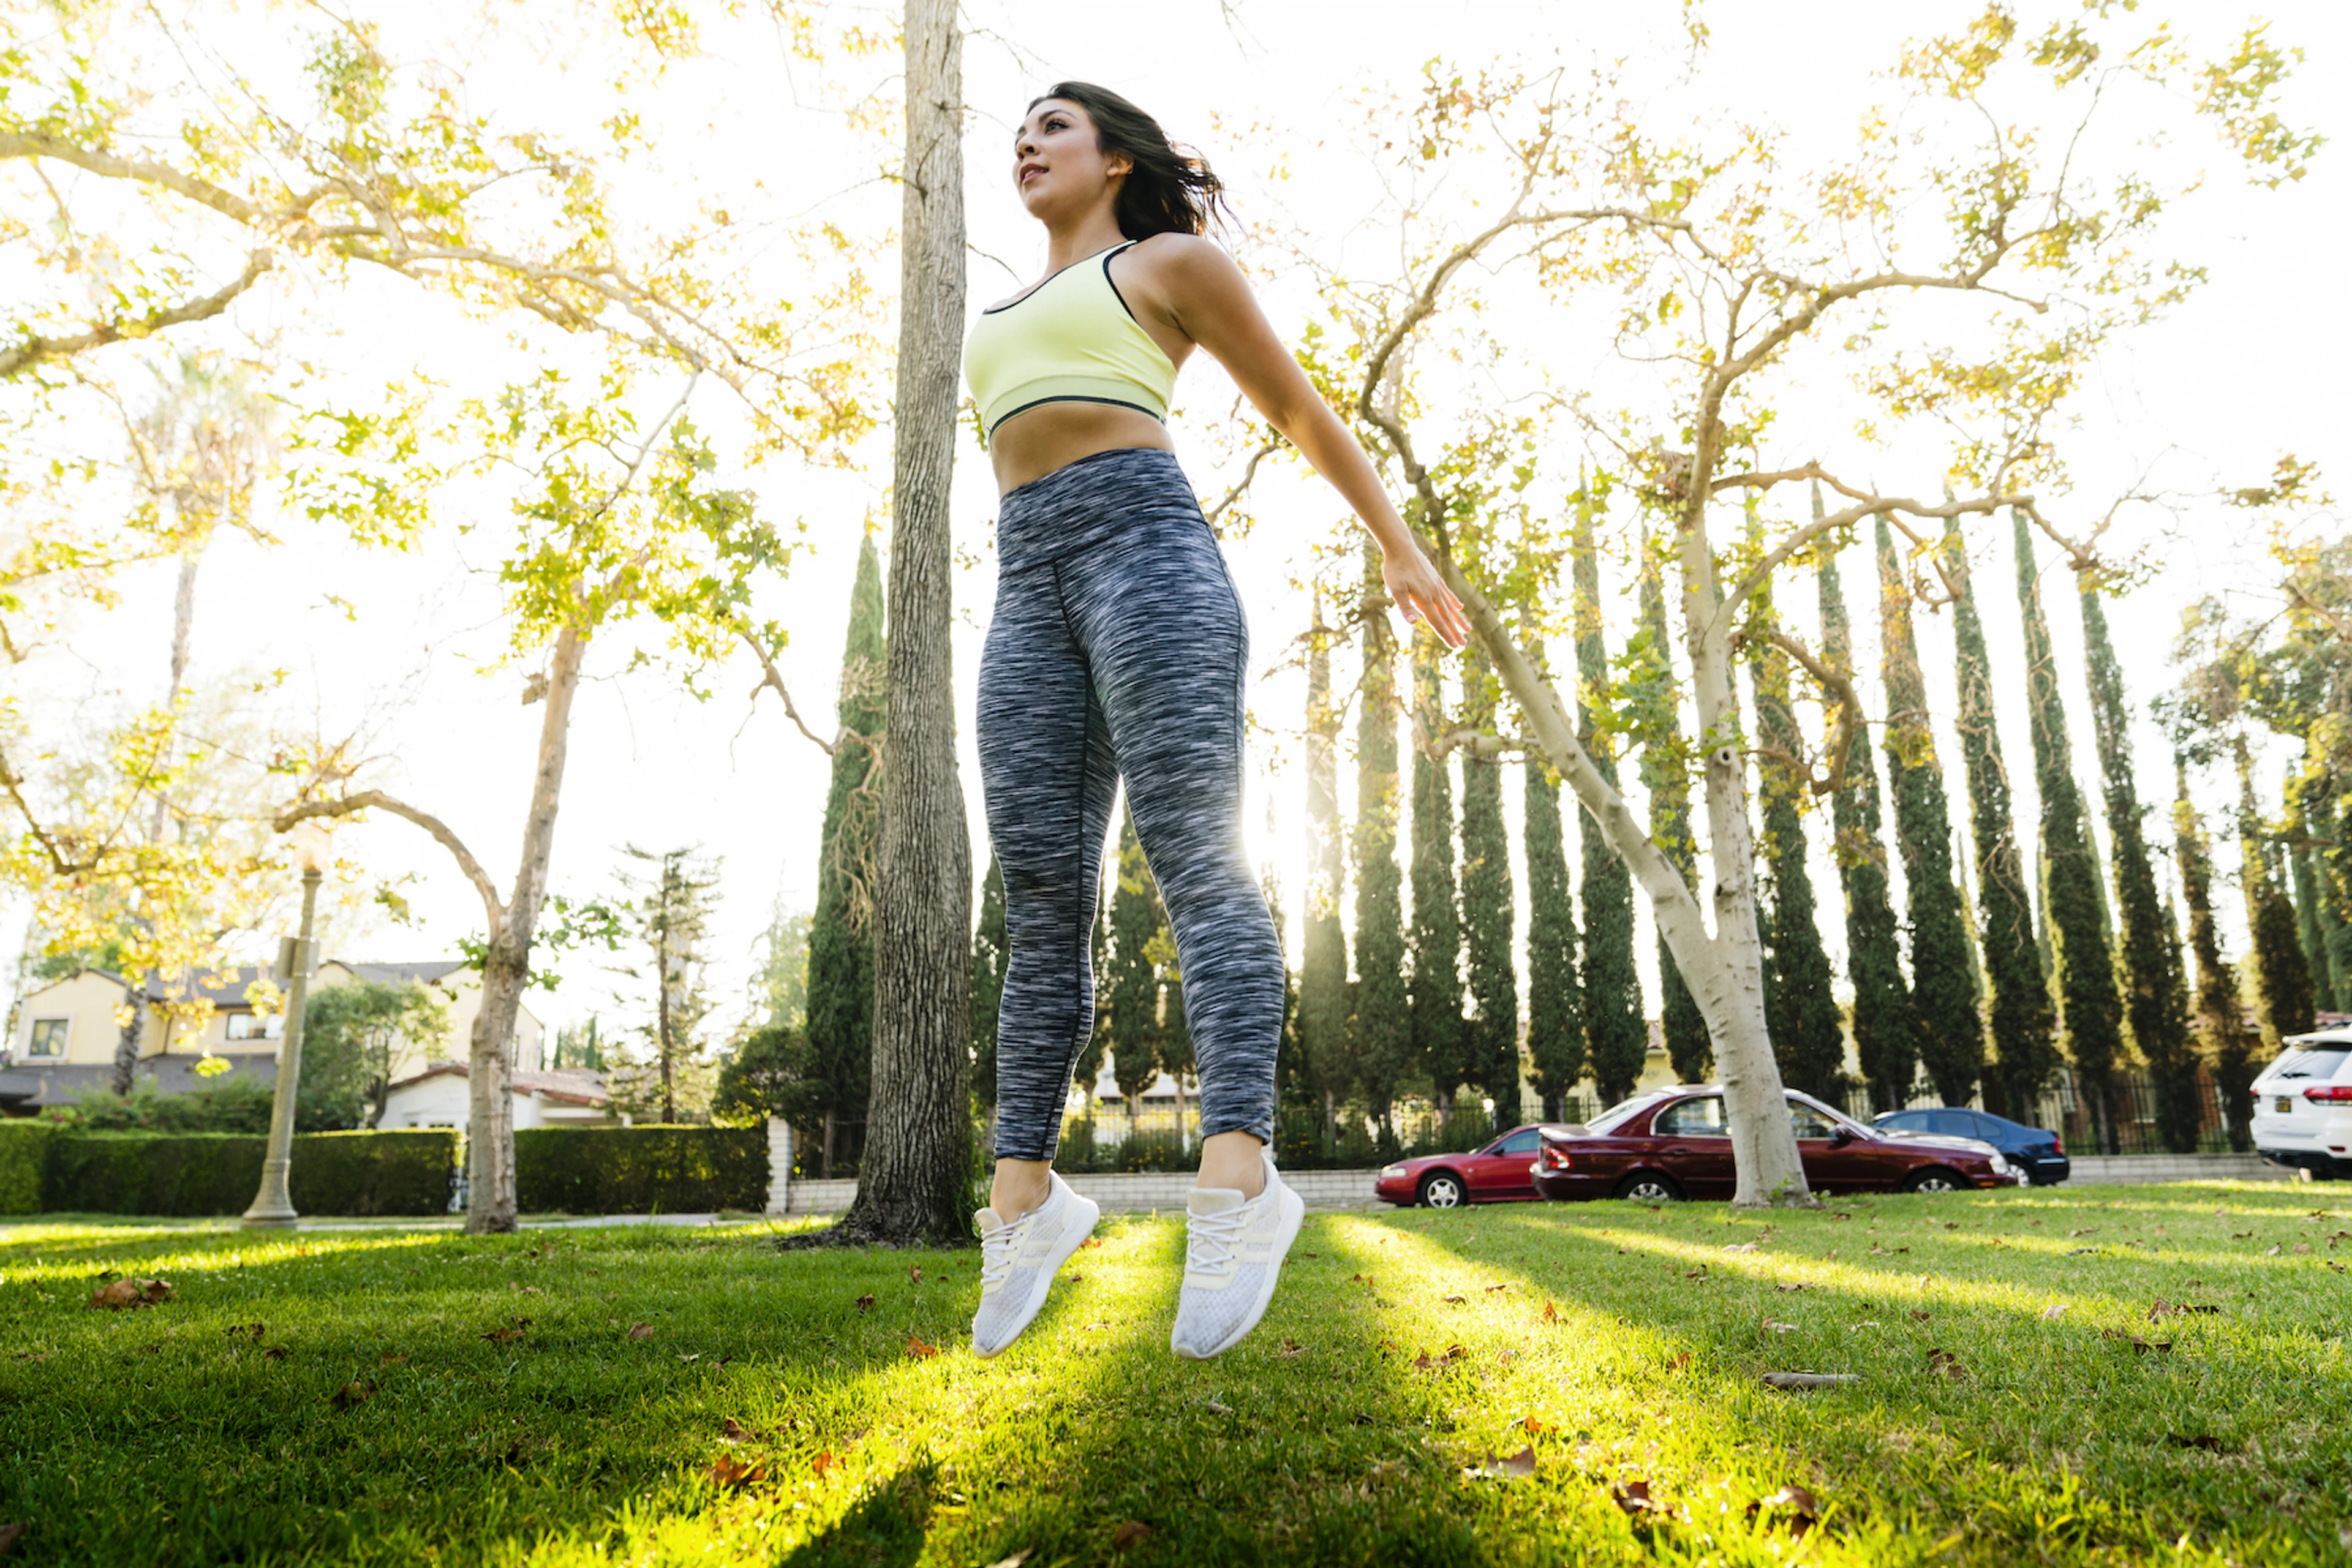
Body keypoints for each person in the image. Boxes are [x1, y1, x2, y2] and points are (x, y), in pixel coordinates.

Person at [967, 82, 1471, 1362]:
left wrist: (1399, 548)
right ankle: (1024, 1196)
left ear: (1116, 157)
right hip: (1029, 579)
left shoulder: (1170, 261)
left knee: (1199, 855)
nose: (1026, 145)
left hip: (1147, 549)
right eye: (1018, 132)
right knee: (1038, 896)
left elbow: (1298, 405)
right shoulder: (1001, 309)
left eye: (1053, 127)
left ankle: (1240, 1173)